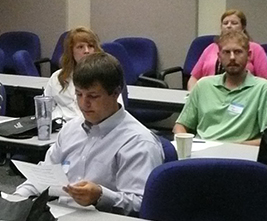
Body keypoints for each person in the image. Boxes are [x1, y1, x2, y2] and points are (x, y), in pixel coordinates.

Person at [14, 53, 162, 216]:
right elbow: (44, 177)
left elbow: (142, 205)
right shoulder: (71, 129)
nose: (84, 103)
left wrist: (101, 196)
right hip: (60, 214)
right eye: (78, 94)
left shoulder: (138, 142)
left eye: (93, 96)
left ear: (115, 93)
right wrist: (14, 199)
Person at [174, 31, 267, 145]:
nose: (232, 57)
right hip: (201, 152)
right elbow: (180, 125)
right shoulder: (203, 85)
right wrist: (184, 144)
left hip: (239, 155)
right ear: (219, 56)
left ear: (249, 55)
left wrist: (228, 147)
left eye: (238, 52)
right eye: (226, 52)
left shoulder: (263, 89)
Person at [44, 27, 121, 122]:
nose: (87, 51)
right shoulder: (57, 77)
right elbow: (45, 109)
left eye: (90, 46)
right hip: (60, 129)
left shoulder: (106, 76)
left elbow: (116, 114)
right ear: (71, 51)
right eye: (80, 47)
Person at [186, 9, 267, 91]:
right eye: (225, 23)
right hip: (209, 95)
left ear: (243, 27)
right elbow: (194, 78)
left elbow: (266, 82)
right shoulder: (211, 48)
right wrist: (194, 96)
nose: (229, 26)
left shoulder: (255, 48)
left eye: (234, 23)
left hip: (244, 96)